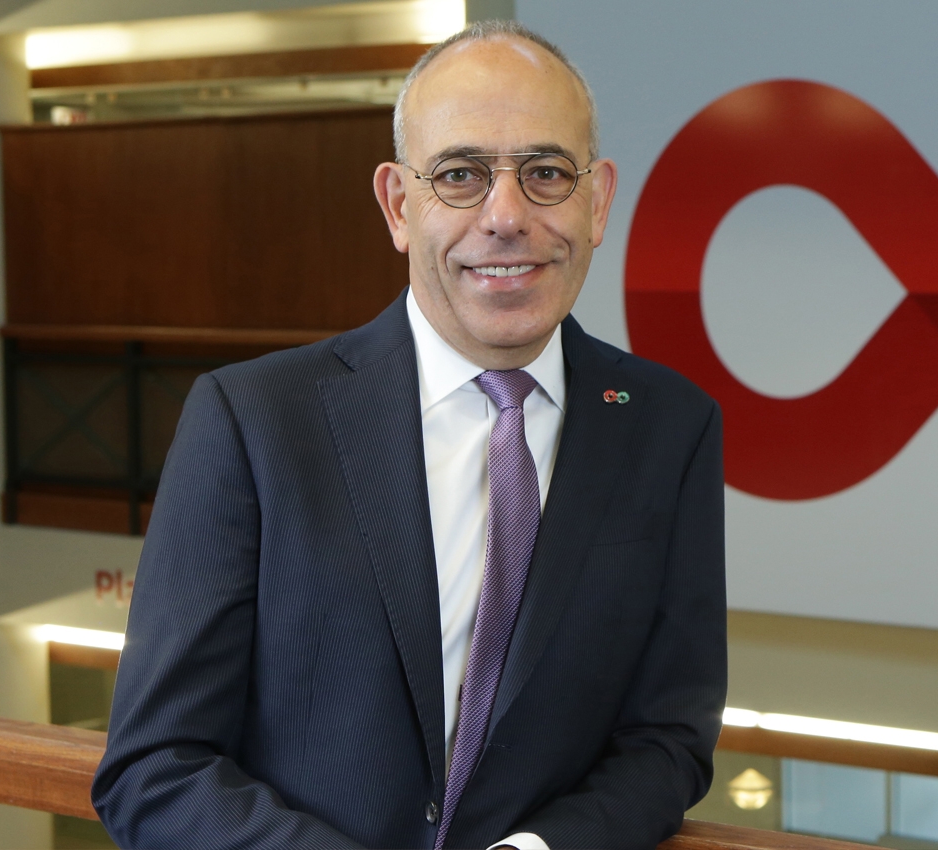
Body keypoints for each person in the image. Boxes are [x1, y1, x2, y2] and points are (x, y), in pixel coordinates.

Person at [92, 21, 727, 850]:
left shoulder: (670, 427)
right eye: (460, 175)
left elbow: (667, 739)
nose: (506, 217)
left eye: (545, 173)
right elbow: (154, 764)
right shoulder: (250, 421)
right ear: (399, 205)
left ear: (598, 200)